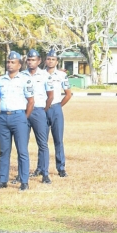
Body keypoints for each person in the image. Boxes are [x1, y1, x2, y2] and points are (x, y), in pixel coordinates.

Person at [0, 51, 34, 191]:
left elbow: (31, 101)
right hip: (3, 117)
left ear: (19, 65)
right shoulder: (0, 80)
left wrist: (23, 117)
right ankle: (2, 180)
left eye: (13, 62)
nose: (9, 64)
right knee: (4, 151)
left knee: (22, 151)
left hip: (19, 117)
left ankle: (24, 182)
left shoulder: (25, 80)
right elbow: (0, 98)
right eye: (8, 62)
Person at [19, 48, 54, 184]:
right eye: (28, 60)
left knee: (42, 144)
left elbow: (50, 96)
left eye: (33, 60)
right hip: (23, 111)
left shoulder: (45, 75)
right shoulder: (21, 75)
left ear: (39, 61)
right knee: (22, 144)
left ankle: (45, 174)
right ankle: (21, 174)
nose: (30, 62)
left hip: (38, 111)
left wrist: (43, 110)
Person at [44, 49, 71, 177]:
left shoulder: (61, 75)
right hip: (42, 109)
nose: (50, 61)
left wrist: (58, 106)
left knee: (58, 139)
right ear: (45, 60)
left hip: (55, 109)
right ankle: (41, 168)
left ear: (57, 61)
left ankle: (61, 168)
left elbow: (68, 94)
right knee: (42, 141)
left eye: (53, 59)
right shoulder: (40, 74)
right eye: (48, 59)